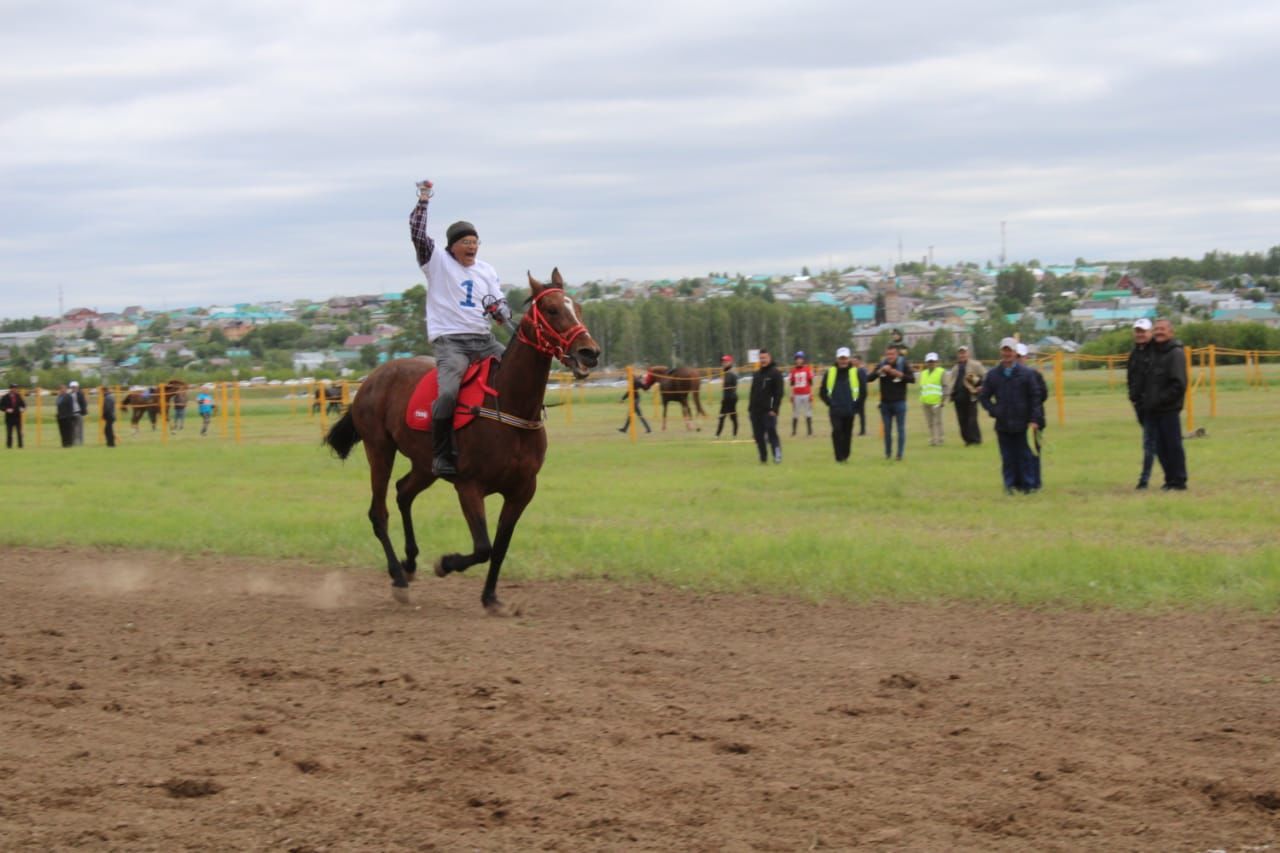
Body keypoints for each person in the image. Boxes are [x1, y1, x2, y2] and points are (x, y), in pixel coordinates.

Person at [410, 178, 511, 477]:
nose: (472, 247)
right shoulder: (436, 261)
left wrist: (499, 310)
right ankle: (441, 454)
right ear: (452, 247)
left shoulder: (487, 270)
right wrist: (424, 200)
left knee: (518, 369)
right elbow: (417, 233)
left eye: (475, 242)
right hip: (451, 343)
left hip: (484, 340)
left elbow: (503, 306)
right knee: (449, 393)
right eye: (466, 242)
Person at [979, 337, 1045, 494]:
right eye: (1004, 350)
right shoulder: (993, 375)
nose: (1007, 353)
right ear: (1001, 352)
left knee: (1024, 455)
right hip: (1003, 423)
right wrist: (994, 411)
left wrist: (1034, 419)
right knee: (1007, 457)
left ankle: (1028, 485)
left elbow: (1035, 397)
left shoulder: (1027, 374)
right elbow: (984, 397)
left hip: (1023, 423)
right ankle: (1009, 485)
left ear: (1015, 353)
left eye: (1010, 350)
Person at [1141, 318, 1188, 491]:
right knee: (1160, 447)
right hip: (1153, 409)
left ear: (1171, 332)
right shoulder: (1154, 351)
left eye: (1162, 329)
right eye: (1156, 329)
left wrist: (1160, 399)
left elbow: (1179, 384)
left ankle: (1179, 481)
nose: (1159, 332)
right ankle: (1169, 480)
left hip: (1169, 409)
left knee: (1173, 445)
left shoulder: (1175, 353)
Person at [867, 344, 914, 460]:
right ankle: (888, 454)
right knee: (887, 430)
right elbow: (869, 378)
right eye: (888, 354)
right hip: (885, 403)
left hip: (899, 402)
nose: (890, 356)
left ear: (897, 354)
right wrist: (880, 371)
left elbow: (912, 379)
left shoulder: (903, 364)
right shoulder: (882, 364)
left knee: (900, 429)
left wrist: (898, 374)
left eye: (892, 354)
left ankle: (899, 454)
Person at [1126, 318, 1157, 489]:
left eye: (1143, 331)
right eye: (1137, 331)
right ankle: (1172, 471)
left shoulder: (1157, 352)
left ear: (1150, 332)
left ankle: (1144, 480)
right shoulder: (1134, 353)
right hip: (1140, 405)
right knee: (1155, 441)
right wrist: (1132, 396)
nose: (1140, 334)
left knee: (1149, 441)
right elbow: (1131, 377)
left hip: (1153, 404)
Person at [1016, 343, 1049, 490]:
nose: (1018, 359)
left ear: (1025, 357)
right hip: (1017, 421)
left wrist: (1033, 415)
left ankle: (1036, 482)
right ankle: (1021, 482)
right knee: (1018, 453)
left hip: (1035, 420)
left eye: (1020, 357)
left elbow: (1043, 395)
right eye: (1016, 356)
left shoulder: (1035, 375)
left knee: (1034, 452)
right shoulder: (1010, 376)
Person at [818, 347, 859, 463]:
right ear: (837, 359)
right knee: (837, 431)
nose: (843, 361)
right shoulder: (830, 372)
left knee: (847, 433)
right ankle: (839, 457)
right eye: (841, 358)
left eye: (845, 358)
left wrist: (856, 406)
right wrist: (830, 403)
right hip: (835, 410)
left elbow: (861, 391)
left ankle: (845, 455)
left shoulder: (855, 372)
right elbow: (822, 392)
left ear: (849, 359)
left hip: (849, 409)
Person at [748, 349, 785, 464]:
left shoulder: (775, 373)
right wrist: (750, 409)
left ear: (769, 358)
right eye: (761, 358)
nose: (763, 360)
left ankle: (777, 455)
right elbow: (753, 392)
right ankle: (763, 457)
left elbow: (779, 393)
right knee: (758, 436)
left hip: (769, 411)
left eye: (765, 358)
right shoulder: (757, 374)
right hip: (756, 411)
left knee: (771, 433)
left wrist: (775, 409)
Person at [945, 345, 985, 445]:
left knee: (972, 419)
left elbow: (985, 376)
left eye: (964, 352)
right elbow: (952, 381)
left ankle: (976, 440)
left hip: (971, 397)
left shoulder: (975, 365)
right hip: (958, 397)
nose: (962, 355)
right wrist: (950, 393)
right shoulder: (955, 368)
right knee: (962, 420)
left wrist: (980, 386)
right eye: (960, 353)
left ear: (968, 354)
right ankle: (967, 440)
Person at [918, 352, 946, 446]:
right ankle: (933, 438)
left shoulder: (941, 372)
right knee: (930, 422)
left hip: (937, 401)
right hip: (926, 401)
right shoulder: (923, 373)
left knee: (937, 421)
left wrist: (943, 400)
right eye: (929, 361)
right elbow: (922, 387)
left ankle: (939, 439)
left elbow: (945, 386)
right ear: (926, 362)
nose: (931, 363)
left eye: (933, 361)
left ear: (936, 362)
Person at [788, 351, 814, 437]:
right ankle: (794, 431)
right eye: (797, 359)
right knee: (795, 413)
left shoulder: (807, 369)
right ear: (795, 360)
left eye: (800, 359)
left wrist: (811, 394)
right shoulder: (793, 370)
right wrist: (791, 394)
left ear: (803, 360)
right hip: (797, 394)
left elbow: (810, 383)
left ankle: (809, 432)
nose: (799, 360)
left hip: (806, 393)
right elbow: (792, 384)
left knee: (808, 412)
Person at [715, 354, 739, 438]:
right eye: (723, 362)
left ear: (730, 362)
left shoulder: (731, 373)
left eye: (725, 362)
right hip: (726, 398)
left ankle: (734, 434)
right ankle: (717, 435)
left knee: (732, 417)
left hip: (731, 398)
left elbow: (732, 387)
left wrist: (727, 398)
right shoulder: (725, 372)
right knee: (722, 417)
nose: (723, 363)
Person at [2, 382, 26, 449]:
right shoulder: (5, 397)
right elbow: (1, 406)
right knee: (9, 433)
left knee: (19, 432)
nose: (15, 389)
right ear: (10, 389)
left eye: (16, 388)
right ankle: (9, 446)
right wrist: (6, 409)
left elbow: (23, 405)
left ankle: (20, 446)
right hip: (9, 418)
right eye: (14, 388)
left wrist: (22, 409)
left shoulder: (18, 396)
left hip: (17, 417)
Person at [850, 354, 869, 436]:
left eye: (855, 360)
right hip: (854, 395)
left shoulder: (861, 370)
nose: (853, 361)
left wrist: (861, 396)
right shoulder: (853, 370)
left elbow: (863, 384)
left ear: (859, 361)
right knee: (851, 413)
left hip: (860, 395)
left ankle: (863, 430)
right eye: (853, 360)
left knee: (861, 413)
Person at [55, 383, 77, 448]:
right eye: (60, 389)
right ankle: (64, 444)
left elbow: (71, 407)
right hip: (60, 417)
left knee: (68, 431)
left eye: (63, 388)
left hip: (67, 417)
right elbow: (58, 406)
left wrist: (71, 416)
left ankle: (69, 444)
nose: (62, 390)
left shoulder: (69, 397)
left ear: (66, 389)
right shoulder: (59, 397)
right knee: (62, 431)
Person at [70, 380, 87, 446]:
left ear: (77, 387)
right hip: (72, 414)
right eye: (72, 387)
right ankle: (74, 442)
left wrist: (83, 412)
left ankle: (80, 442)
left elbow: (84, 403)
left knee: (80, 429)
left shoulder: (81, 394)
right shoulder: (70, 395)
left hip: (79, 413)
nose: (73, 388)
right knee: (73, 429)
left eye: (74, 387)